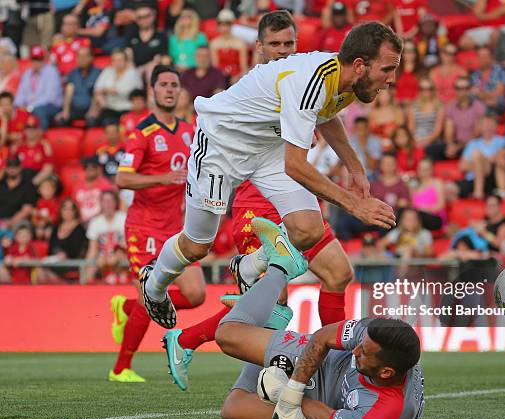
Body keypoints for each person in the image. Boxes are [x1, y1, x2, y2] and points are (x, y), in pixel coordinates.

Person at [139, 22, 400, 328]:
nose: (391, 79)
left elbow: (327, 115)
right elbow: (296, 165)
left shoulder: (348, 80)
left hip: (267, 149)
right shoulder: (312, 80)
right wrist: (355, 205)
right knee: (197, 245)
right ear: (360, 65)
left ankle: (248, 268)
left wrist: (355, 168)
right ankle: (153, 284)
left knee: (308, 229)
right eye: (388, 69)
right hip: (220, 146)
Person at [159, 13, 355, 371]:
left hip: (292, 191)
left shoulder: (304, 82)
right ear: (258, 47)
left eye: (289, 44)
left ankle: (335, 368)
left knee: (338, 273)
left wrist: (356, 169)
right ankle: (250, 273)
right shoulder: (247, 88)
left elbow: (325, 118)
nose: (282, 52)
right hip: (254, 197)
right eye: (275, 45)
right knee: (273, 303)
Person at [165, 218, 425, 419]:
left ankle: (271, 320)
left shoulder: (384, 416)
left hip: (323, 399)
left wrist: (286, 399)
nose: (356, 351)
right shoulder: (381, 334)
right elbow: (323, 337)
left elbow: (325, 417)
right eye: (360, 345)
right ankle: (281, 265)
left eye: (364, 353)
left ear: (387, 373)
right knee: (228, 335)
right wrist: (292, 390)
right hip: (321, 357)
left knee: (233, 410)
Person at [110, 64, 207, 383]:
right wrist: (163, 177)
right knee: (147, 297)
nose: (169, 89)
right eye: (163, 84)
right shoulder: (142, 134)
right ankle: (120, 368)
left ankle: (127, 308)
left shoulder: (188, 130)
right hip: (144, 227)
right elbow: (122, 179)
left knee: (196, 295)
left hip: (175, 228)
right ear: (152, 91)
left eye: (174, 84)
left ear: (180, 91)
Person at [458, 113, 505, 199]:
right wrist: (479, 164)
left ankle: (478, 193)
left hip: (491, 178)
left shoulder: (502, 141)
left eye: (491, 124)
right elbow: (462, 166)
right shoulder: (473, 143)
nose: (488, 127)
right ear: (480, 127)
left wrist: (479, 160)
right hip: (471, 179)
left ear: (496, 126)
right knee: (449, 189)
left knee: (477, 154)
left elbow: (500, 159)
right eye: (485, 124)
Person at [14, 46, 63, 131]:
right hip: (30, 106)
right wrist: (19, 105)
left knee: (39, 111)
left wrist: (30, 107)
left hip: (51, 106)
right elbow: (20, 93)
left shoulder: (51, 72)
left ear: (44, 59)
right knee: (13, 110)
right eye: (34, 59)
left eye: (39, 59)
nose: (36, 62)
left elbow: (49, 97)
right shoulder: (27, 73)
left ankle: (40, 138)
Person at [437, 76, 486, 161]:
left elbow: (477, 133)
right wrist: (451, 145)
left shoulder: (478, 106)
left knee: (472, 149)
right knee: (431, 150)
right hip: (457, 142)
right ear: (455, 90)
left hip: (473, 143)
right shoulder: (450, 107)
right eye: (459, 88)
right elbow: (449, 132)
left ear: (470, 89)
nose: (462, 91)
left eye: (465, 88)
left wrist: (458, 147)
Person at [84, 190, 127, 283]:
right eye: (105, 201)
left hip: (122, 258)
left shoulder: (124, 219)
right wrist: (87, 272)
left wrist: (119, 255)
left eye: (110, 201)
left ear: (115, 203)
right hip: (102, 262)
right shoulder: (95, 222)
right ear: (101, 203)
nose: (108, 204)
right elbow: (92, 250)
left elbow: (129, 244)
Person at [92, 48, 143, 125]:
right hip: (109, 107)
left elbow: (123, 91)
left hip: (128, 108)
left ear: (126, 61)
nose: (117, 63)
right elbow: (97, 89)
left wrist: (106, 90)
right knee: (101, 122)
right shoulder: (107, 71)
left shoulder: (133, 73)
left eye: (120, 60)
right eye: (114, 60)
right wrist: (107, 90)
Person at [56, 46, 101, 127]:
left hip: (91, 108)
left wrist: (92, 110)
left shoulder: (98, 73)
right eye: (79, 56)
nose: (81, 59)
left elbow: (98, 93)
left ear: (91, 58)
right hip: (75, 108)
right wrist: (65, 111)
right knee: (61, 120)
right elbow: (68, 92)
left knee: (92, 121)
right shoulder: (73, 73)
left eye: (85, 56)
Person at [13, 114, 54, 186]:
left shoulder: (44, 146)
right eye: (27, 128)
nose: (30, 131)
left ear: (38, 130)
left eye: (33, 128)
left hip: (37, 180)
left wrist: (32, 184)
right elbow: (12, 168)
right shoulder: (19, 146)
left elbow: (48, 169)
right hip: (21, 179)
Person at [209, 9, 249, 83]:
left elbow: (244, 68)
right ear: (218, 26)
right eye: (222, 25)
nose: (225, 28)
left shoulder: (240, 43)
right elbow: (215, 67)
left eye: (227, 25)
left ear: (232, 25)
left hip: (237, 78)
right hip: (220, 78)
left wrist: (237, 77)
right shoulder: (214, 44)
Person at [125, 5, 168, 72]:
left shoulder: (161, 36)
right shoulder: (131, 35)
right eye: (140, 17)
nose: (143, 19)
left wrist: (142, 69)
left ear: (153, 16)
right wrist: (133, 70)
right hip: (133, 69)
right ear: (136, 19)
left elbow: (158, 58)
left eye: (147, 16)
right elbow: (128, 54)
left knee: (152, 68)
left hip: (152, 70)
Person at [406, 77, 444, 150]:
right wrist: (414, 140)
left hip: (432, 141)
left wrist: (426, 141)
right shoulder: (413, 107)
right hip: (416, 139)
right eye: (423, 89)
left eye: (429, 88)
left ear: (433, 90)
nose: (426, 91)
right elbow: (411, 128)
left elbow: (437, 131)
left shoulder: (439, 107)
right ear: (419, 90)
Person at [0, 157, 38, 229]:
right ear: (5, 168)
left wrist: (9, 223)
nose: (12, 170)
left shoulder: (28, 186)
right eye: (9, 167)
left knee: (23, 228)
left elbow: (26, 210)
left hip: (17, 221)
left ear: (20, 167)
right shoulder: (1, 182)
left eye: (15, 167)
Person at [470, 45, 505, 114]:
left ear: (491, 57)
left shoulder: (500, 70)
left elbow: (499, 92)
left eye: (485, 56)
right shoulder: (474, 75)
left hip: (497, 105)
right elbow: (473, 93)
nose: (483, 59)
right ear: (477, 58)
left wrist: (481, 95)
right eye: (480, 56)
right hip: (481, 104)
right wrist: (487, 99)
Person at [411, 157, 446, 231]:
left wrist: (425, 209)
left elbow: (441, 205)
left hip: (434, 217)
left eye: (426, 169)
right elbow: (411, 204)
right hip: (417, 217)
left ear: (432, 170)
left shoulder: (437, 182)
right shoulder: (414, 184)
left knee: (415, 216)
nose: (423, 171)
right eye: (421, 168)